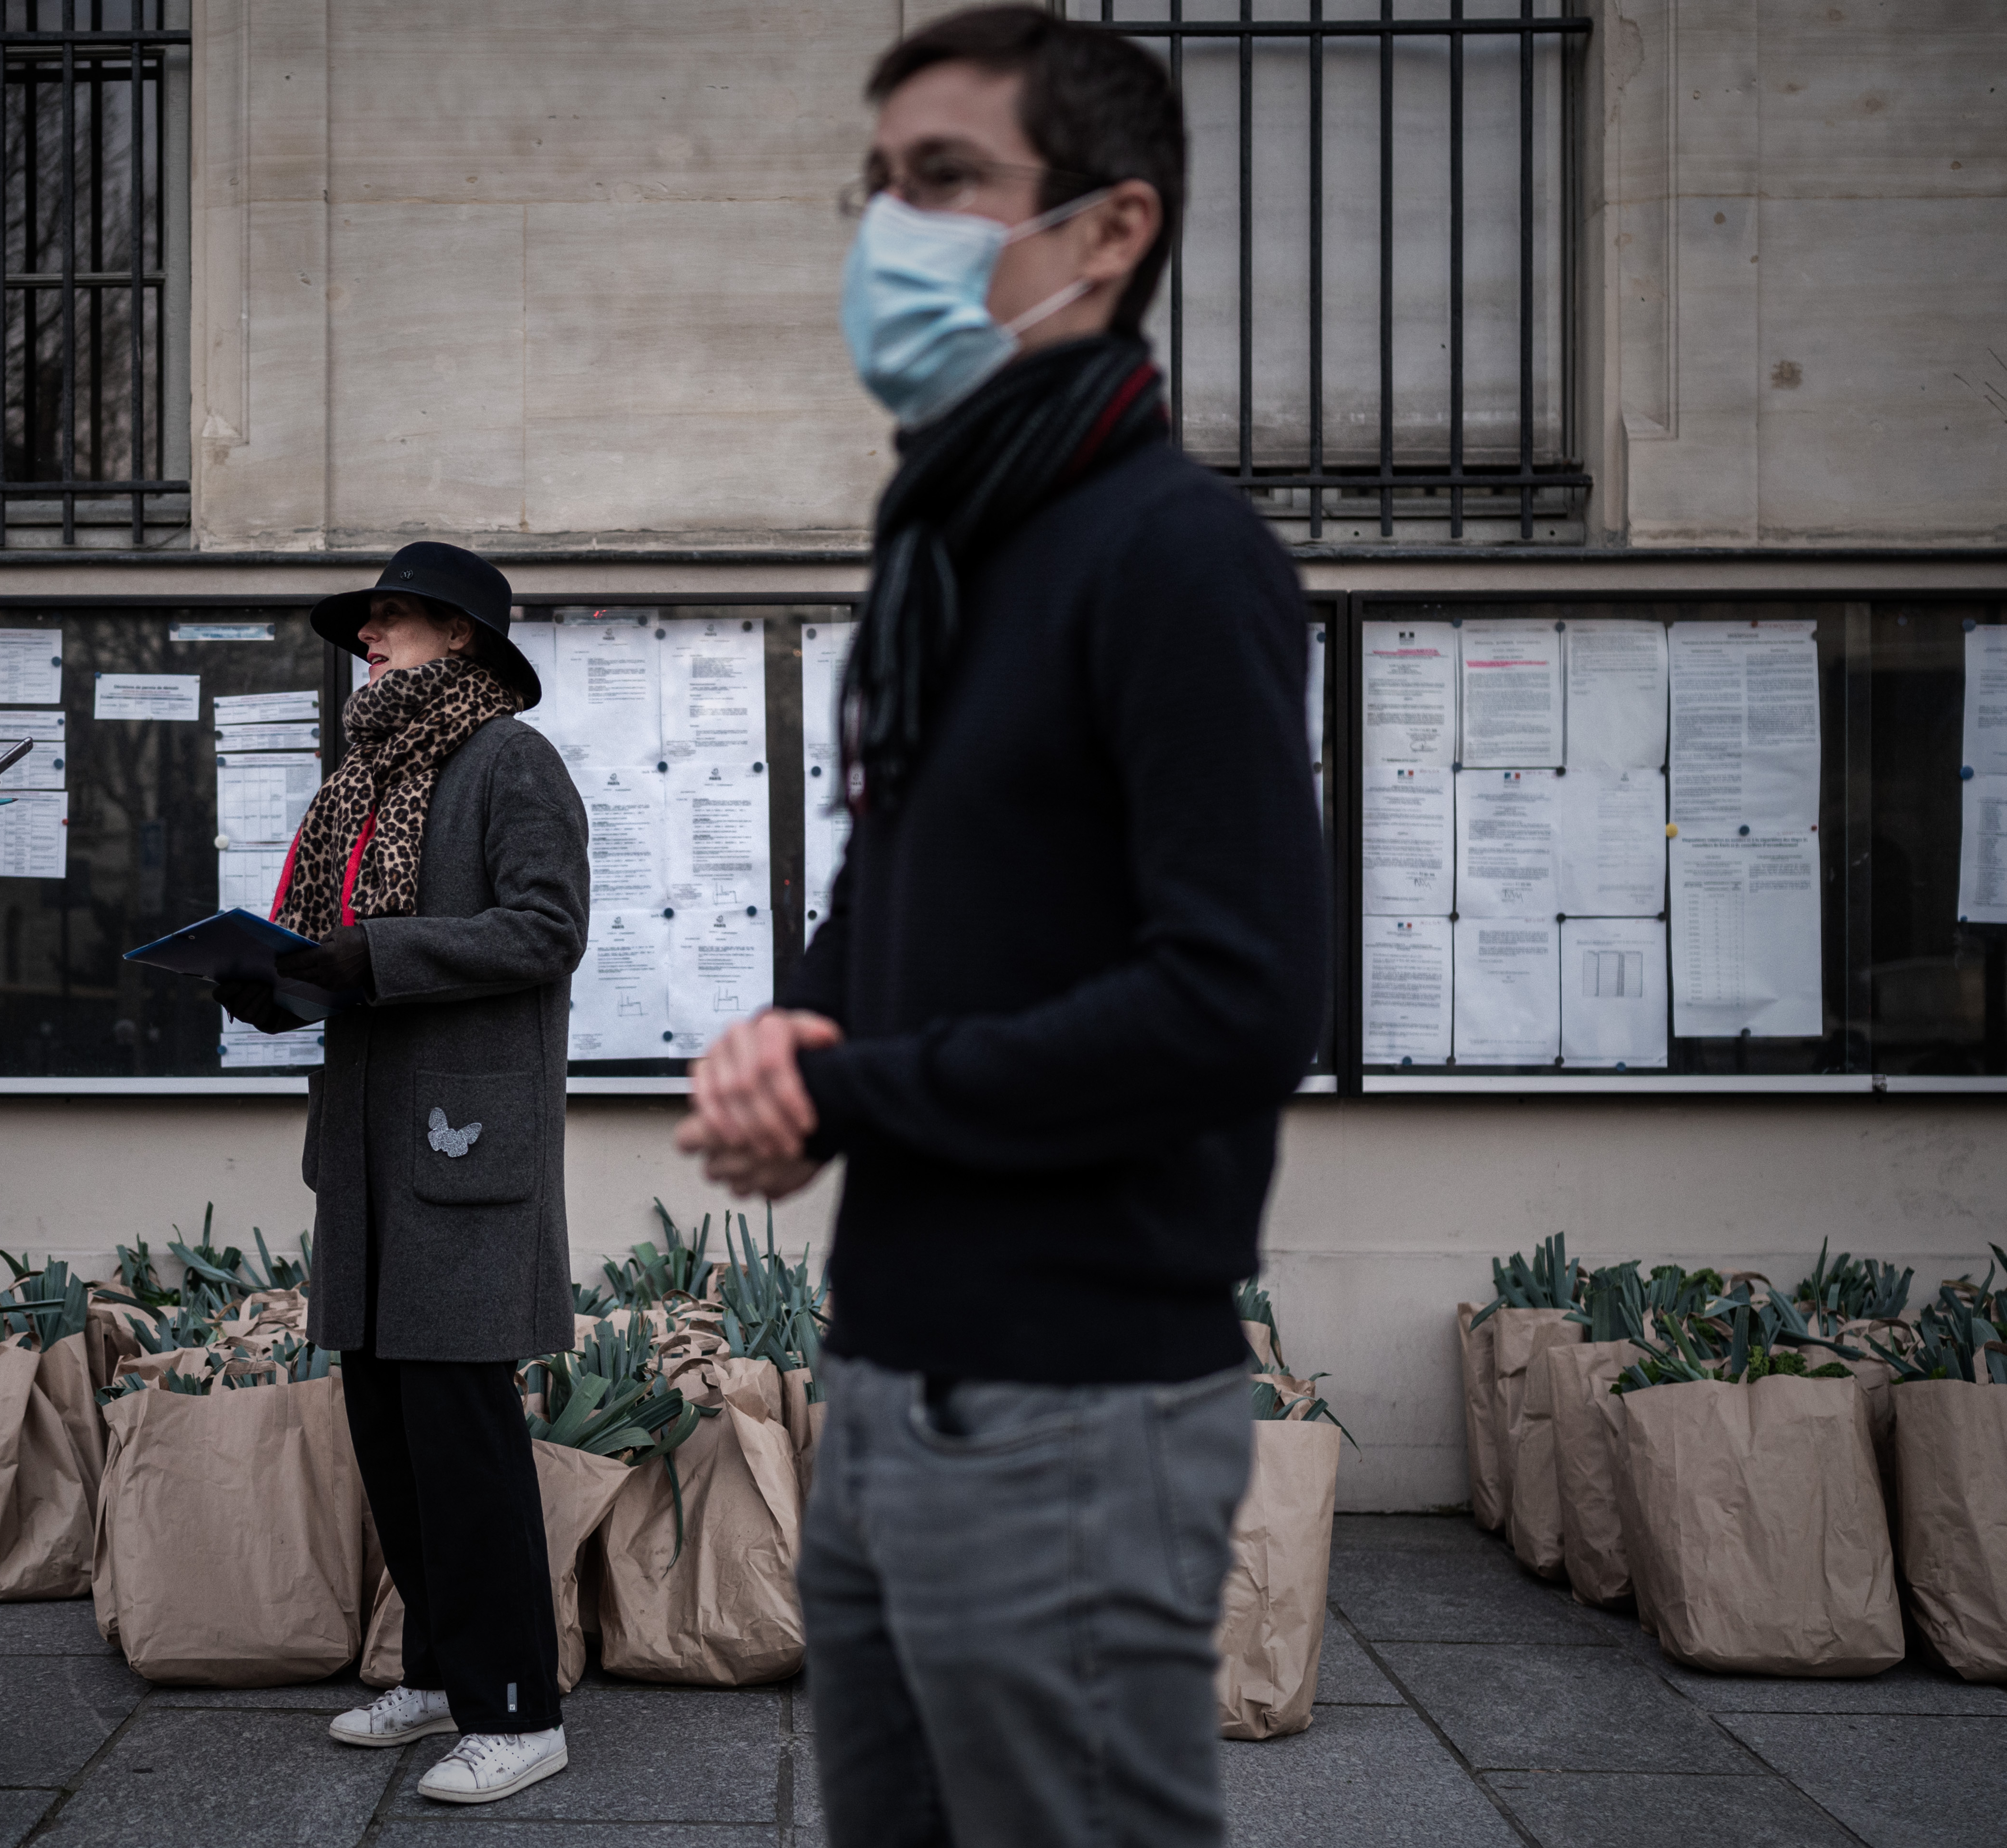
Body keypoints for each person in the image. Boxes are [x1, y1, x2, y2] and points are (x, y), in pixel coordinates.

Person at [676, 11, 1328, 1847]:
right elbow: (887, 890)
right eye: (879, 185)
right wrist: (795, 1038)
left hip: (1079, 1412)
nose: (895, 227)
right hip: (890, 1385)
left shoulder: (1175, 553)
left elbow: (1239, 996)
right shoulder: (955, 549)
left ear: (1111, 231)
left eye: (949, 179)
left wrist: (865, 1087)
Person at [220, 541, 590, 1807]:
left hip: (462, 1154)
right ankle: (440, 1671)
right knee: (391, 1426)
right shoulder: (367, 776)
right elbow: (353, 958)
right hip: (374, 1159)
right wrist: (277, 980)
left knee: (463, 1433)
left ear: (466, 638)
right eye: (367, 623)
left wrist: (364, 955)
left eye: (396, 620)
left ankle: (518, 1707)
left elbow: (545, 930)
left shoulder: (511, 762)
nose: (370, 639)